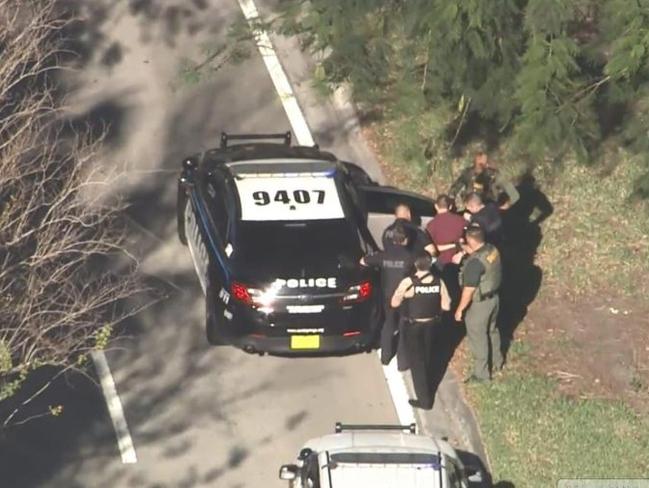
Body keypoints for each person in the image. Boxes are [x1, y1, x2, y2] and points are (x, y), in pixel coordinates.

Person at [391, 253, 451, 409]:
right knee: (427, 356)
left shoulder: (409, 283)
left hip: (413, 326)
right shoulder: (439, 282)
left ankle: (424, 401)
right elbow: (446, 306)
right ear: (430, 265)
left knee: (417, 364)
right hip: (432, 325)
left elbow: (394, 303)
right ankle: (427, 382)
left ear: (416, 265)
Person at [453, 224, 503, 383]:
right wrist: (463, 249)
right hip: (494, 299)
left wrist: (460, 309)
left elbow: (468, 290)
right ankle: (497, 362)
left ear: (470, 240)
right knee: (492, 331)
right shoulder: (491, 249)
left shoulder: (474, 264)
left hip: (480, 305)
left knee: (478, 338)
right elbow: (477, 252)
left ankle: (481, 375)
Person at [361, 224, 415, 369]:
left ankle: (385, 357)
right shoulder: (411, 257)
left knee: (388, 325)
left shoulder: (383, 256)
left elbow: (363, 261)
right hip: (406, 296)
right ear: (405, 240)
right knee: (404, 327)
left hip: (387, 296)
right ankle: (403, 363)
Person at [449, 147, 519, 208]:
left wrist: (506, 205)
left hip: (489, 210)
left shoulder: (494, 175)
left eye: (482, 162)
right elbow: (454, 190)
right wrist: (451, 203)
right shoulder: (468, 173)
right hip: (471, 209)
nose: (480, 164)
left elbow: (513, 193)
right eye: (478, 162)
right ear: (474, 161)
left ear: (487, 163)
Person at [426, 194, 466, 268]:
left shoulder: (431, 225)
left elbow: (432, 248)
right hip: (461, 260)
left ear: (436, 206)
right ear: (450, 207)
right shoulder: (461, 220)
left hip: (442, 263)